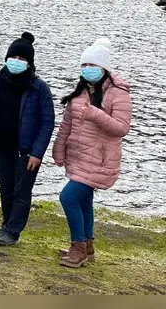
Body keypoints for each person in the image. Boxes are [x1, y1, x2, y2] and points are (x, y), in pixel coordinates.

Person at [53, 37, 132, 268]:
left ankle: (77, 247)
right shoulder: (81, 92)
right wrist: (59, 149)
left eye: (92, 65)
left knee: (67, 198)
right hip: (78, 157)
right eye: (84, 65)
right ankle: (87, 249)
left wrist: (95, 114)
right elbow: (66, 124)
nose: (87, 70)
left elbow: (122, 128)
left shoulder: (118, 93)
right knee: (84, 201)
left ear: (104, 68)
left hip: (99, 160)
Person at [0, 32, 55, 246]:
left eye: (23, 59)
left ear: (30, 63)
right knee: (6, 187)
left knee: (21, 190)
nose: (17, 62)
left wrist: (37, 152)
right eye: (14, 57)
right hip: (0, 145)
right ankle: (6, 225)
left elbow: (47, 122)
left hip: (26, 151)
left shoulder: (39, 87)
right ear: (6, 58)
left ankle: (13, 231)